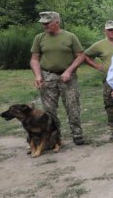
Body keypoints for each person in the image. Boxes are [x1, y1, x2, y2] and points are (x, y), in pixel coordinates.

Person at [30, 11, 86, 145]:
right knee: (49, 110)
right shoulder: (39, 38)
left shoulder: (70, 37)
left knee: (72, 107)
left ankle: (77, 134)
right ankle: (55, 138)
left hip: (68, 77)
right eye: (43, 23)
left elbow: (80, 56)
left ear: (57, 22)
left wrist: (69, 71)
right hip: (47, 76)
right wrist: (38, 75)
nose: (44, 26)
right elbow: (34, 59)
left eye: (47, 23)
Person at [84, 20, 113, 140]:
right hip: (110, 81)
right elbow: (84, 55)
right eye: (110, 30)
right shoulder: (99, 45)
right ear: (105, 31)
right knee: (110, 105)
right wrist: (97, 66)